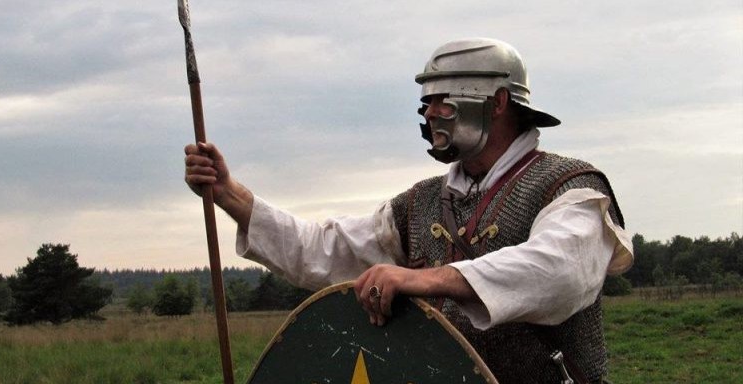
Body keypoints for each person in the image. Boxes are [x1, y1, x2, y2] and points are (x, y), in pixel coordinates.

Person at [184, 37, 633, 383]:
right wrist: (231, 195)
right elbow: (324, 252)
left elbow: (561, 270)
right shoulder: (420, 204)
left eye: (445, 100)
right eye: (427, 102)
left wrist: (428, 278)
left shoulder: (570, 187)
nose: (432, 112)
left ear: (498, 102)